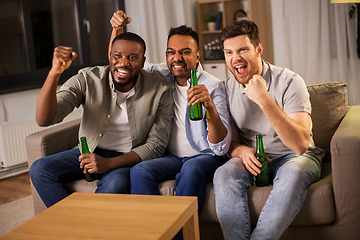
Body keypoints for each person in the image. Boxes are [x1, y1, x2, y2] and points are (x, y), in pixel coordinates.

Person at [29, 32, 174, 208]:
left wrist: (108, 164)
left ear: (143, 62)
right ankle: (77, 228)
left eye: (132, 58)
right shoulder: (89, 78)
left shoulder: (160, 88)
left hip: (126, 157)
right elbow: (44, 119)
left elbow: (156, 145)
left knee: (114, 185)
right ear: (110, 56)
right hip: (89, 151)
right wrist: (54, 73)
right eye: (117, 56)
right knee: (40, 169)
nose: (123, 63)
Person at [110, 11, 231, 215]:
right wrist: (117, 30)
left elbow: (221, 147)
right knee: (140, 170)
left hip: (204, 156)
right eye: (171, 52)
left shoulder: (213, 86)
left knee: (191, 169)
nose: (177, 58)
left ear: (197, 55)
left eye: (185, 52)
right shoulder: (162, 76)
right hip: (172, 156)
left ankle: (183, 233)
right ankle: (153, 230)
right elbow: (124, 62)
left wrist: (210, 107)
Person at [213, 20, 325, 240]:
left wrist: (264, 99)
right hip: (254, 160)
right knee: (223, 172)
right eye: (229, 52)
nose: (235, 58)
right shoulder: (225, 89)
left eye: (243, 49)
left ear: (258, 50)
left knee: (294, 171)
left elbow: (301, 145)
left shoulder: (290, 81)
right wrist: (242, 152)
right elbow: (230, 144)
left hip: (295, 157)